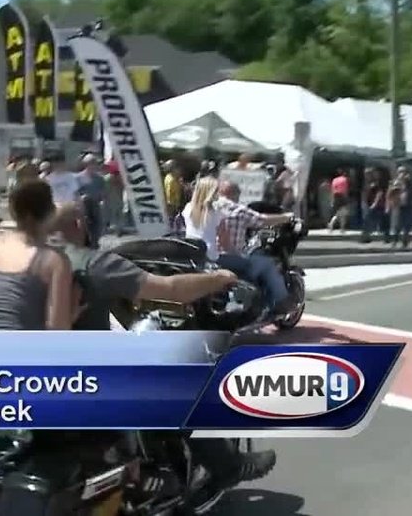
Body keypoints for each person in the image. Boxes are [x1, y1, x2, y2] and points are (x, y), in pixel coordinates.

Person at [48, 204, 276, 512]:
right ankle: (228, 466)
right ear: (79, 223)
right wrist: (219, 279)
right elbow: (169, 288)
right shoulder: (88, 261)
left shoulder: (16, 258)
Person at [0, 179, 76, 331]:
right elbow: (56, 328)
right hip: (22, 351)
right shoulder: (54, 261)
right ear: (50, 213)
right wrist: (72, 315)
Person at [184, 178, 296, 316]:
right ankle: (282, 303)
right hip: (215, 259)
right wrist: (286, 217)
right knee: (266, 264)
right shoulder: (219, 212)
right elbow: (258, 221)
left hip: (195, 256)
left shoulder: (188, 208)